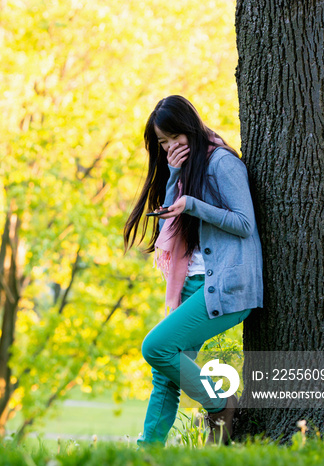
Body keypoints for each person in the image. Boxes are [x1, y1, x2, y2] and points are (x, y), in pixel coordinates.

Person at [123, 95, 263, 446]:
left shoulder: (223, 164)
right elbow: (174, 218)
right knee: (165, 378)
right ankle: (148, 450)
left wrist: (194, 205)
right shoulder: (184, 168)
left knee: (155, 347)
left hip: (224, 285)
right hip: (192, 282)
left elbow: (245, 224)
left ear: (190, 128)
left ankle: (219, 402)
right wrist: (173, 177)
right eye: (162, 143)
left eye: (174, 138)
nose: (170, 147)